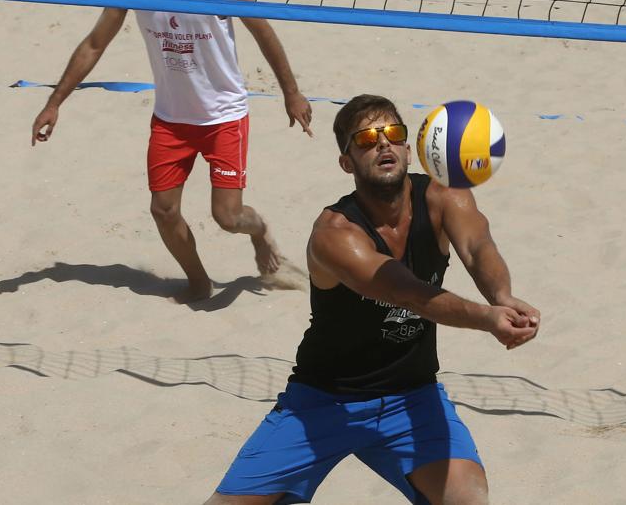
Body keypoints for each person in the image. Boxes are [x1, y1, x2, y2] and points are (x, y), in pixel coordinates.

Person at [206, 94, 540, 504]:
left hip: (412, 397)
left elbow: (478, 247)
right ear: (347, 162)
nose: (382, 144)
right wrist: (486, 318)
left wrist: (502, 296)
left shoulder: (443, 197)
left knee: (468, 499)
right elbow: (410, 294)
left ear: (408, 147)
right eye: (365, 139)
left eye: (393, 134)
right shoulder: (334, 234)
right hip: (323, 400)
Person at [31, 0, 313, 302]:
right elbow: (94, 44)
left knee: (228, 217)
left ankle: (260, 232)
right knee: (163, 210)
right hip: (171, 119)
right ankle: (198, 281)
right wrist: (54, 103)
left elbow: (263, 30)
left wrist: (292, 93)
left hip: (223, 115)